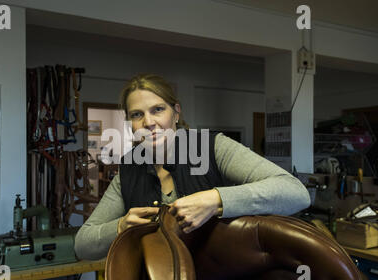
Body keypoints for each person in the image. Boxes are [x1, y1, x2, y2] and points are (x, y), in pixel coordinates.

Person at [74, 73, 310, 261]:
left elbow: (295, 192)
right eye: (137, 114)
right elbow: (82, 245)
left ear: (176, 113)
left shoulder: (213, 147)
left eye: (158, 109)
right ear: (131, 124)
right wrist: (121, 226)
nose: (149, 122)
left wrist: (215, 200)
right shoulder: (129, 169)